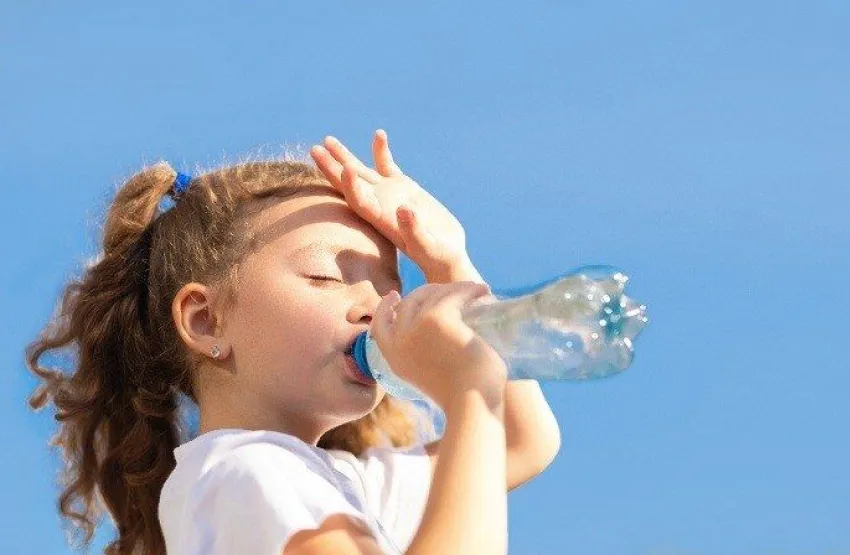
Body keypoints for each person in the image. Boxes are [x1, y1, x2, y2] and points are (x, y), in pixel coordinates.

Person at [25, 130, 562, 555]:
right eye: (327, 277)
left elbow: (520, 441)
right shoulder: (246, 472)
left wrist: (450, 264)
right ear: (208, 321)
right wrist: (468, 392)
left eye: (391, 289)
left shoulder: (338, 482)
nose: (375, 306)